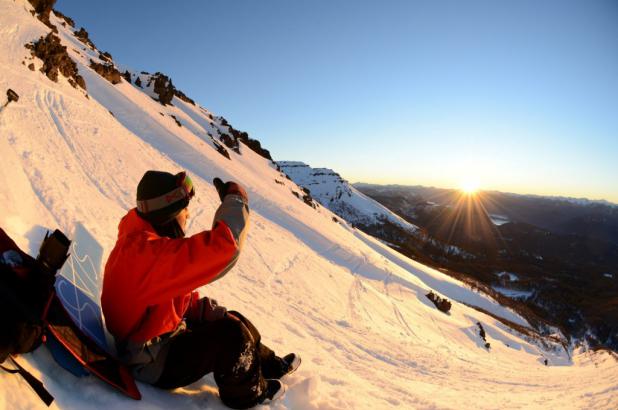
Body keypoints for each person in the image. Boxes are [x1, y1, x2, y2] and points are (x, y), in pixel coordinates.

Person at [101, 170, 300, 409]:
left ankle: (271, 365)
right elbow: (224, 247)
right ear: (169, 214)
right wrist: (236, 201)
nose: (188, 214)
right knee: (231, 336)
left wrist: (202, 311)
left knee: (233, 319)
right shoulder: (146, 256)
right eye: (184, 209)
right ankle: (249, 393)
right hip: (151, 360)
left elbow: (167, 292)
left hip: (158, 336)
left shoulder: (144, 242)